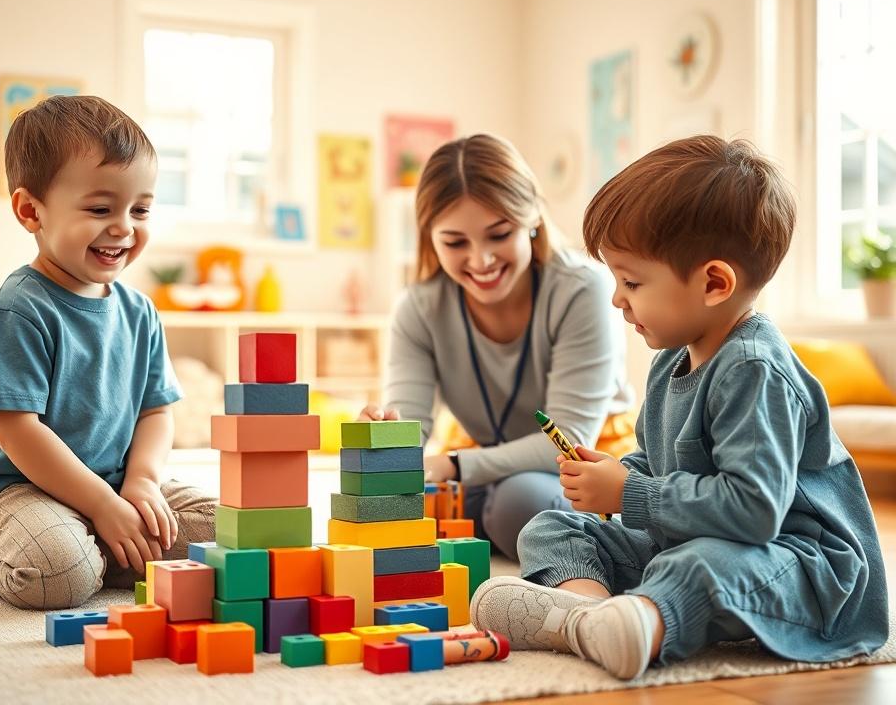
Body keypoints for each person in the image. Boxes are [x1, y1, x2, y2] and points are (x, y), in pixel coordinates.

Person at [470, 135, 888, 679]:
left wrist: (630, 493)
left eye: (632, 282)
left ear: (714, 282)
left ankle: (630, 621)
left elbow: (753, 513)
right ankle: (592, 617)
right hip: (696, 537)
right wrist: (620, 474)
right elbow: (659, 460)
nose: (618, 299)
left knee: (699, 567)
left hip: (803, 568)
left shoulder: (754, 370)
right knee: (552, 526)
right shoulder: (672, 358)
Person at [0, 95, 217, 610]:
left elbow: (156, 411)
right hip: (18, 491)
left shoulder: (140, 312)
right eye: (100, 209)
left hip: (114, 483)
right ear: (31, 211)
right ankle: (7, 565)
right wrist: (101, 504)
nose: (124, 227)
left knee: (233, 531)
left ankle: (106, 546)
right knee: (62, 575)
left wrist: (140, 482)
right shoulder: (19, 310)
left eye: (140, 209)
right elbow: (16, 429)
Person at [361, 134, 632, 559]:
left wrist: (453, 465)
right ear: (429, 238)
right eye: (455, 242)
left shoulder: (582, 289)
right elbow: (409, 430)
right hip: (487, 468)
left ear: (532, 220)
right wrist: (383, 439)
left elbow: (569, 438)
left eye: (499, 234)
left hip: (583, 470)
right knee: (396, 509)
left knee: (517, 502)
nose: (481, 260)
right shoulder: (417, 308)